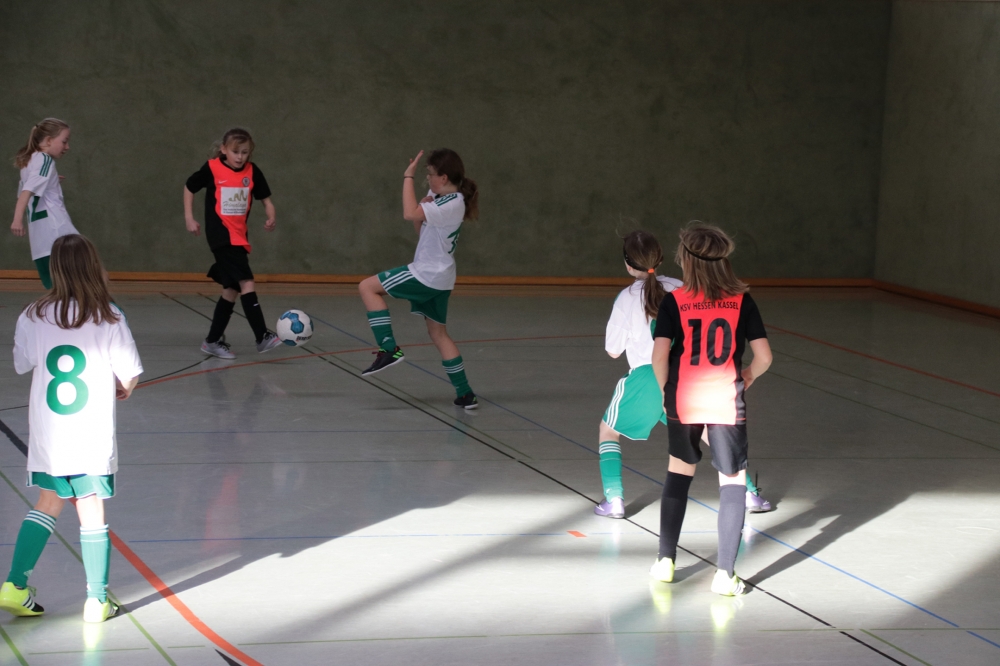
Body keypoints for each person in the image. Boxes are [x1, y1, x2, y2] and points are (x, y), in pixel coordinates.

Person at [0, 234, 143, 623]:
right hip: (89, 433)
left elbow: (23, 363)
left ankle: (14, 585)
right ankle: (97, 600)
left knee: (48, 502)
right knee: (91, 508)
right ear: (94, 266)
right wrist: (122, 388)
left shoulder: (33, 314)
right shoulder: (108, 315)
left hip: (49, 432)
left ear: (55, 270)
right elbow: (129, 374)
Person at [649, 223, 772, 596]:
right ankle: (725, 574)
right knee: (732, 481)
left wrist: (665, 391)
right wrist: (747, 376)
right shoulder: (742, 301)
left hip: (683, 398)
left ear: (686, 260)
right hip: (725, 400)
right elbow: (765, 357)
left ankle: (665, 561)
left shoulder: (675, 301)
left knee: (678, 473)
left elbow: (659, 357)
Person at [358, 149, 479, 409]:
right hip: (441, 277)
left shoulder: (451, 203)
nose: (428, 179)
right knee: (439, 334)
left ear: (443, 178)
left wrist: (408, 178)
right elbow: (420, 228)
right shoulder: (442, 199)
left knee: (367, 287)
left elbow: (408, 213)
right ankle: (465, 393)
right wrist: (424, 206)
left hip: (427, 273)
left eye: (430, 175)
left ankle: (389, 349)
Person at [595, 231, 682, 518]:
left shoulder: (627, 297)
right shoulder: (681, 287)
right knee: (710, 433)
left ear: (628, 264)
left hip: (648, 376)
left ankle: (614, 499)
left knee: (609, 430)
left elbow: (613, 351)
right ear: (661, 258)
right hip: (683, 373)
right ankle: (748, 494)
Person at [183, 127, 281, 359]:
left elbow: (266, 200)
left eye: (244, 152)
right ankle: (262, 336)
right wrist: (189, 217)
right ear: (224, 150)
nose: (240, 157)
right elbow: (189, 187)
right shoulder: (212, 168)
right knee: (247, 282)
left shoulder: (252, 171)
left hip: (239, 236)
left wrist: (271, 216)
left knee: (231, 289)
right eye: (235, 152)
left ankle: (212, 341)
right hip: (221, 235)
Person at [10, 119, 78, 289]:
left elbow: (27, 189)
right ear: (48, 140)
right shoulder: (45, 160)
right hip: (58, 231)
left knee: (55, 289)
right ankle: (107, 307)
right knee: (91, 277)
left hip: (39, 240)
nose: (67, 147)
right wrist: (17, 220)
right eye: (64, 141)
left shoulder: (28, 161)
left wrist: (52, 180)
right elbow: (26, 192)